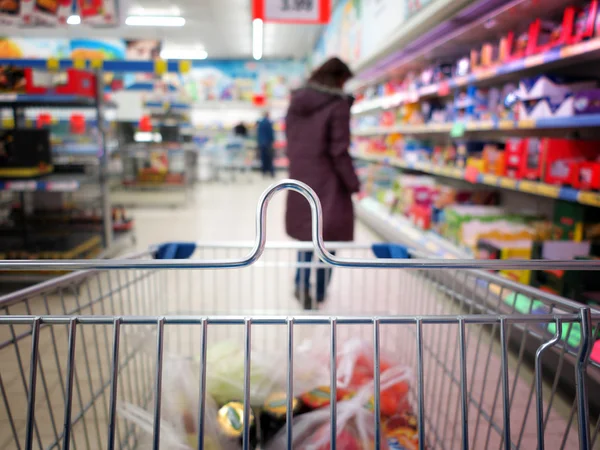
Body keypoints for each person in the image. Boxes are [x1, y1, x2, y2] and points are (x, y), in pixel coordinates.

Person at [285, 57, 360, 309]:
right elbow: (339, 151)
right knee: (330, 239)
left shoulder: (296, 102)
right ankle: (318, 291)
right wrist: (354, 183)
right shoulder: (337, 105)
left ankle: (301, 283)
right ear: (338, 79)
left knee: (308, 236)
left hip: (302, 178)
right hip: (329, 184)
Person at [257, 112, 275, 178]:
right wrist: (272, 141)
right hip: (268, 143)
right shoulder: (269, 123)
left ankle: (264, 172)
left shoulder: (260, 123)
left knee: (263, 159)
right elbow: (271, 133)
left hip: (262, 143)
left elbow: (259, 134)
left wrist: (259, 142)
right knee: (270, 159)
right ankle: (271, 172)